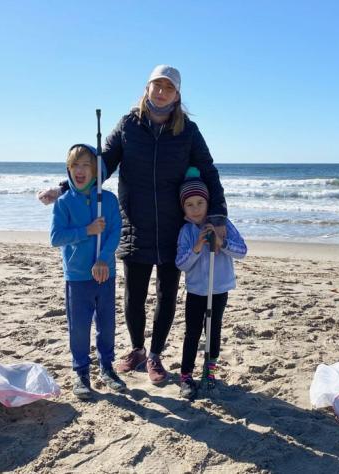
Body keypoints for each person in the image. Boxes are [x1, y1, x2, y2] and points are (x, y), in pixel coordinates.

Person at [40, 65, 228, 385]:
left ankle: (155, 355)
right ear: (147, 88)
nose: (161, 92)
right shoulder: (129, 125)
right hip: (135, 224)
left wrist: (218, 218)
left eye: (168, 88)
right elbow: (101, 164)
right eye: (157, 85)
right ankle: (137, 350)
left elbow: (208, 172)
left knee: (167, 293)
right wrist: (64, 187)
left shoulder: (188, 131)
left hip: (174, 227)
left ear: (177, 95)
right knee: (135, 295)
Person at [50, 144, 125, 399]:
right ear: (68, 170)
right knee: (79, 326)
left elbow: (115, 231)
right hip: (78, 275)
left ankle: (106, 367)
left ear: (96, 170)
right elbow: (56, 237)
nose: (79, 171)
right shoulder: (63, 203)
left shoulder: (109, 200)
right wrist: (87, 231)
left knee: (106, 323)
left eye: (86, 165)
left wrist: (104, 258)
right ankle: (80, 371)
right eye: (74, 166)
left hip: (105, 273)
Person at [175, 168, 247, 400]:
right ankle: (186, 375)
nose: (196, 209)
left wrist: (220, 241)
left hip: (219, 289)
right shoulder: (186, 231)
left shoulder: (223, 225)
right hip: (196, 290)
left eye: (200, 203)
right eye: (190, 205)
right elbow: (181, 263)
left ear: (208, 203)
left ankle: (210, 370)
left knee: (213, 330)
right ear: (183, 208)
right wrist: (197, 247)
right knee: (192, 333)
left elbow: (242, 251)